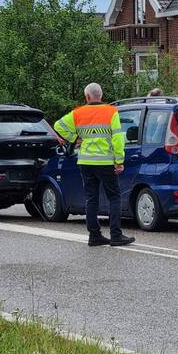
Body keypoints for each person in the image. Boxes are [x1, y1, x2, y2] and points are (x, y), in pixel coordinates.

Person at [54, 83, 136, 247]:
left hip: (85, 161)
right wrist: (119, 161)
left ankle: (94, 235)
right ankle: (115, 235)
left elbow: (58, 125)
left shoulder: (78, 113)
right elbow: (118, 138)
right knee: (114, 197)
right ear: (101, 95)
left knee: (91, 198)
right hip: (105, 161)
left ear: (87, 96)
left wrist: (74, 138)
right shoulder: (111, 112)